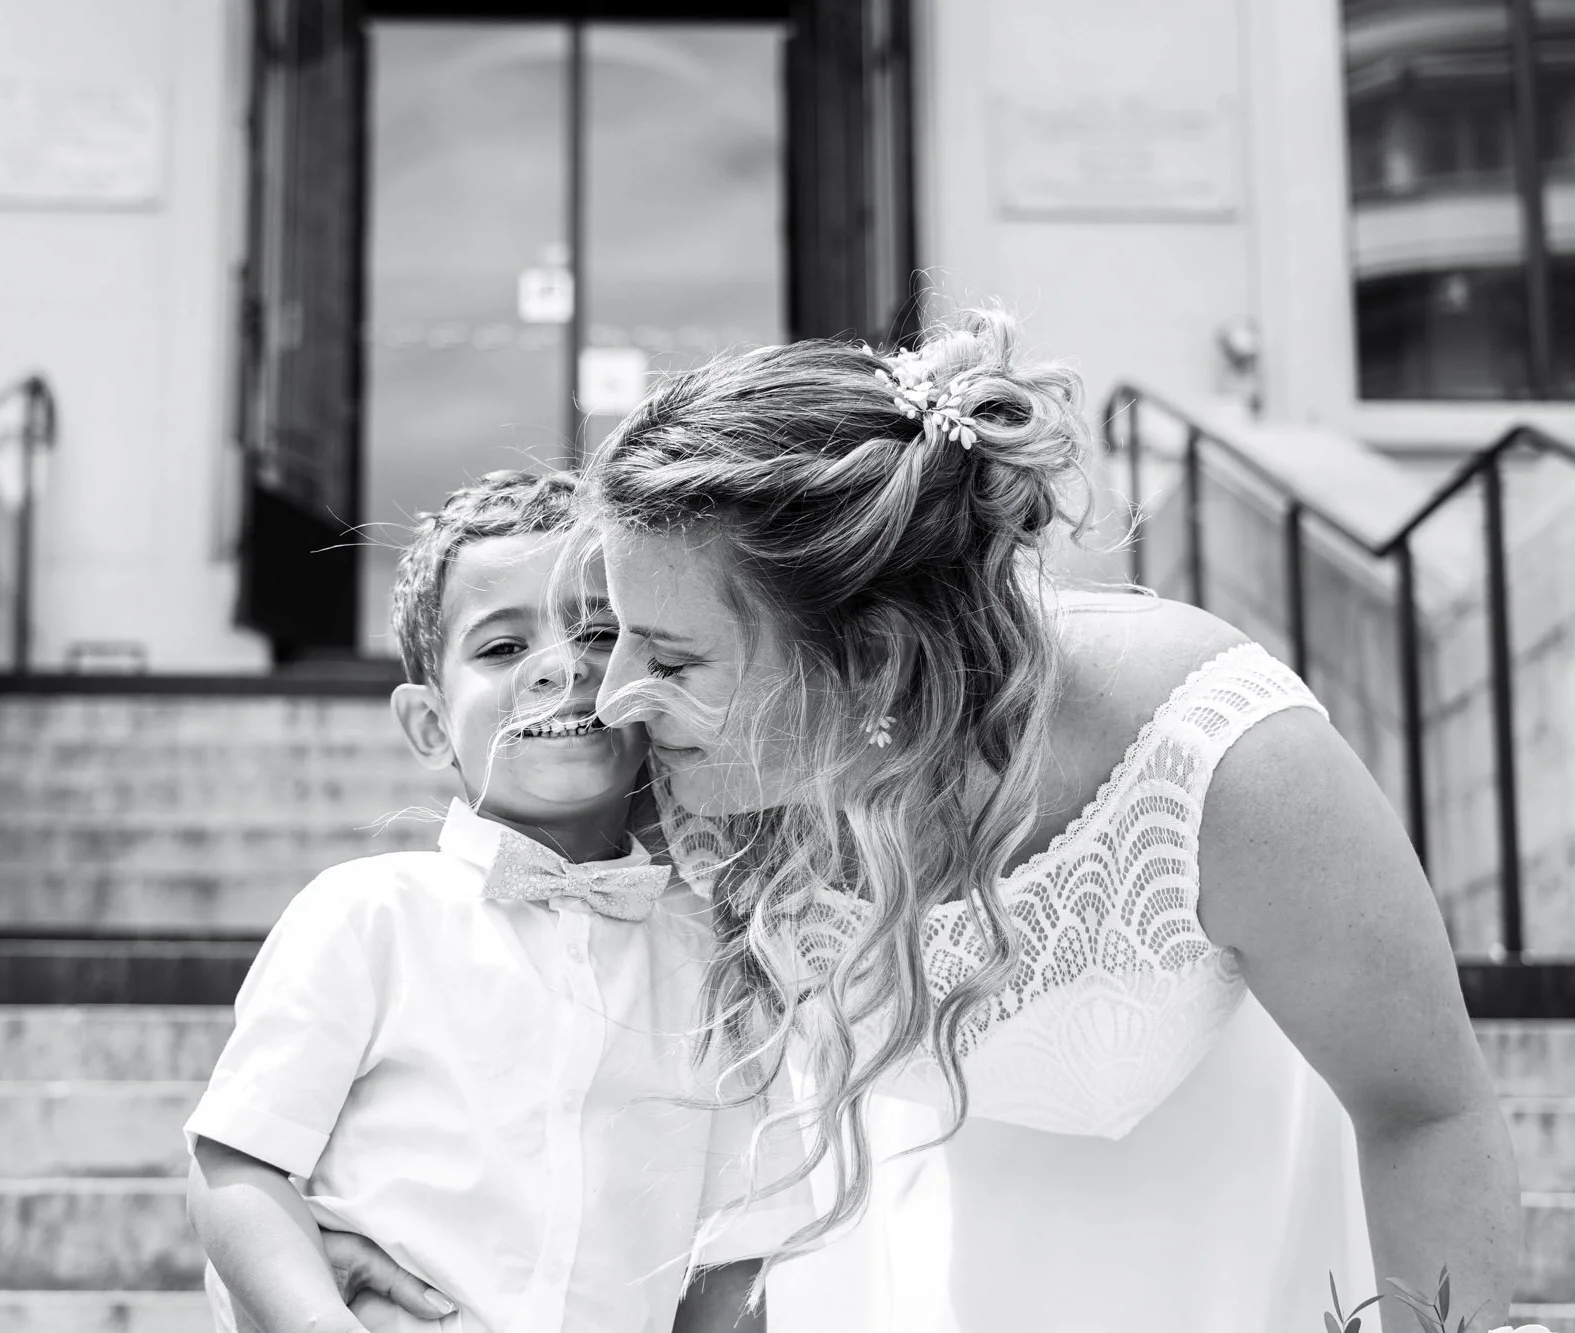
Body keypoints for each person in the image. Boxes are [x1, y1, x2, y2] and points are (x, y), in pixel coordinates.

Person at [565, 309, 1523, 1332]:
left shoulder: (1219, 759)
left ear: (870, 658)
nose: (612, 695)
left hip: (1230, 1281)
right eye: (614, 632)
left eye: (669, 659)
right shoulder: (703, 776)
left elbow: (1425, 1111)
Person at [184, 471, 807, 1333]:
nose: (562, 665)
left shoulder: (717, 963)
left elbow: (733, 1250)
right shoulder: (371, 914)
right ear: (430, 724)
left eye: (599, 630)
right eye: (503, 647)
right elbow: (235, 1163)